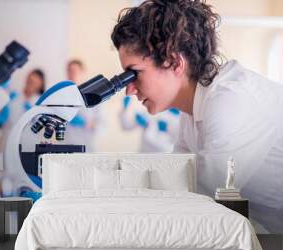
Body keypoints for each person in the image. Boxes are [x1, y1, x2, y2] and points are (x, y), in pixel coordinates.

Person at [111, 0, 283, 233]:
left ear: (175, 62)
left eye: (134, 74)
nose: (129, 89)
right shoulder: (192, 112)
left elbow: (202, 200)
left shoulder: (230, 100)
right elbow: (176, 182)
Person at [0, 68, 46, 153]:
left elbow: (43, 131)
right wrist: (0, 119)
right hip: (7, 141)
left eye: (34, 83)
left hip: (28, 145)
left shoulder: (41, 104)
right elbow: (2, 120)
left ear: (40, 85)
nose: (31, 85)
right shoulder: (14, 96)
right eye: (30, 81)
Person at [63, 59, 103, 152]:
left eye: (74, 71)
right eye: (69, 71)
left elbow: (102, 125)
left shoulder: (94, 95)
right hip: (66, 146)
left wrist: (86, 123)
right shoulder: (62, 95)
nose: (71, 74)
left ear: (82, 72)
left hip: (86, 147)